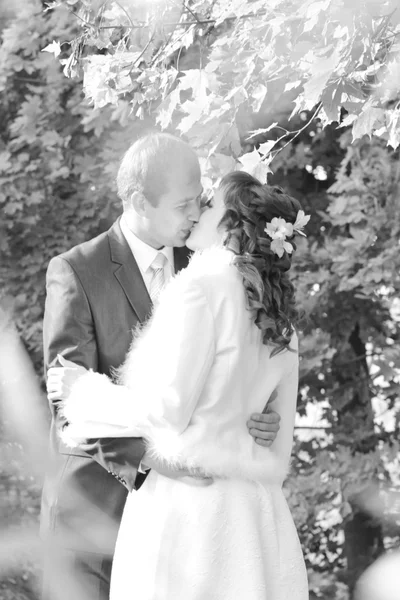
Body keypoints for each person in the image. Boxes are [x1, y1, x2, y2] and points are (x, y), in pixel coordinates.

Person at [48, 171, 309, 599]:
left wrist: (83, 393)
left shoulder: (200, 287)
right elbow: (278, 448)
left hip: (189, 507)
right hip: (258, 516)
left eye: (208, 205)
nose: (198, 212)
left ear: (229, 224)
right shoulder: (280, 315)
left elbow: (167, 410)